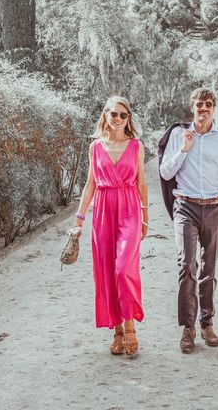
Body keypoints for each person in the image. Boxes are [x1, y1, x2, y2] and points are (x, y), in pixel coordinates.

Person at [159, 88, 218, 353]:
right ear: (192, 106)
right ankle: (188, 328)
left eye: (208, 104)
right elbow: (165, 172)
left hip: (214, 208)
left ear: (214, 108)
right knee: (187, 265)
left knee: (209, 269)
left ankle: (206, 322)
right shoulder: (178, 135)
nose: (203, 108)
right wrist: (184, 149)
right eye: (199, 104)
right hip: (185, 206)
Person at [74, 96, 148, 357]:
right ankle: (117, 330)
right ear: (104, 115)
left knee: (123, 269)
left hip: (129, 208)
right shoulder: (95, 147)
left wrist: (145, 217)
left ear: (129, 119)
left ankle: (130, 327)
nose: (117, 119)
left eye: (122, 115)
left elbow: (141, 183)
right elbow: (89, 185)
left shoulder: (136, 146)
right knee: (106, 271)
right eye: (112, 114)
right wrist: (79, 220)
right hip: (103, 211)